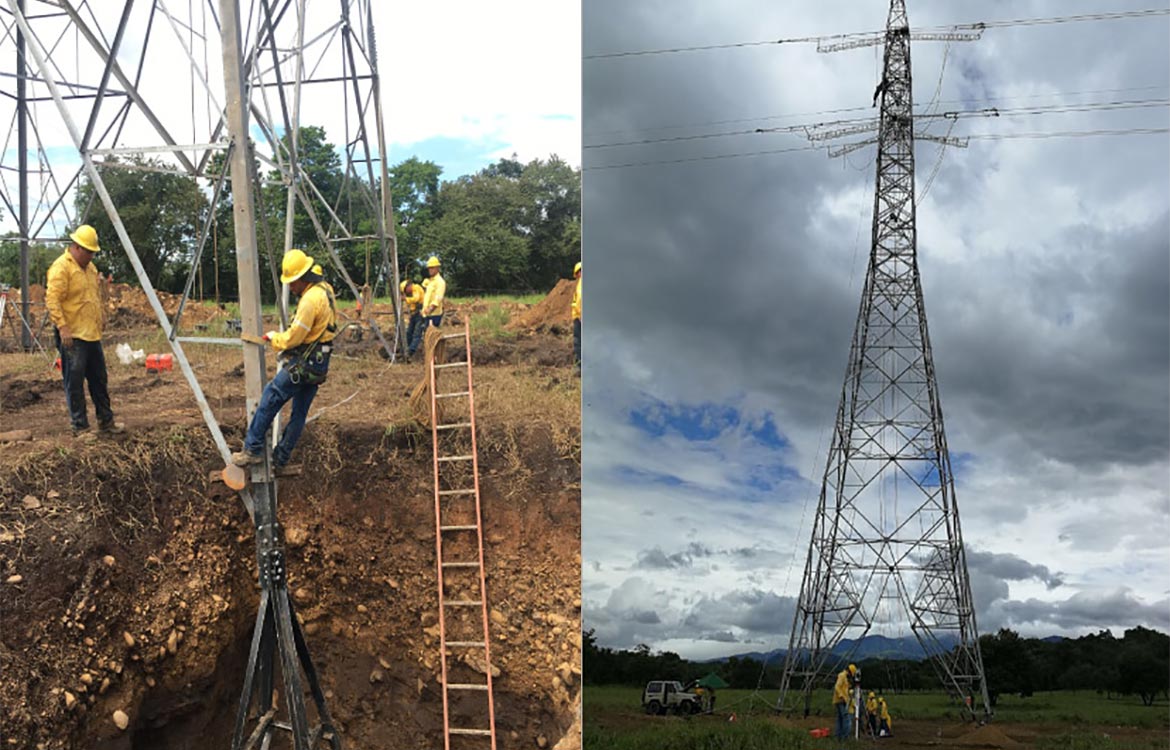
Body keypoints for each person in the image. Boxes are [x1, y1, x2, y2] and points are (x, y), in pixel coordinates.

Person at [232, 249, 336, 469]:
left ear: (301, 278)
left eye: (291, 282)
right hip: (320, 363)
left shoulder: (309, 300)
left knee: (271, 396)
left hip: (305, 363)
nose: (290, 287)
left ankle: (252, 449)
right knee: (299, 412)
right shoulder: (326, 289)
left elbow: (293, 338)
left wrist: (274, 338)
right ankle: (281, 458)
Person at [45, 224, 123, 437]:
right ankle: (80, 427)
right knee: (75, 381)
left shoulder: (91, 269)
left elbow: (93, 297)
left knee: (99, 379)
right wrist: (63, 327)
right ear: (77, 247)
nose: (91, 256)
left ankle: (106, 422)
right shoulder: (61, 268)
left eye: (92, 252)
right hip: (73, 336)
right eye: (88, 251)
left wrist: (101, 318)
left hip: (91, 333)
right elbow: (53, 300)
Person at [833, 663, 859, 741]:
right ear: (850, 672)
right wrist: (842, 696)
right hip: (840, 701)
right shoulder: (842, 676)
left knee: (840, 719)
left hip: (841, 701)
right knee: (846, 719)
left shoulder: (844, 677)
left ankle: (838, 736)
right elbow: (837, 687)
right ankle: (845, 737)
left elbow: (844, 688)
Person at [401, 278, 425, 356]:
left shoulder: (416, 288)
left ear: (408, 286)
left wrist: (405, 299)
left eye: (405, 291)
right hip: (414, 314)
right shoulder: (411, 293)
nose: (406, 293)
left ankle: (411, 350)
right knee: (409, 332)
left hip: (420, 313)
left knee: (417, 333)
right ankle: (406, 347)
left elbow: (416, 299)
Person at [420, 255, 445, 328]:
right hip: (427, 314)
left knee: (431, 336)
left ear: (437, 268)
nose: (430, 270)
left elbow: (438, 298)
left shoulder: (440, 282)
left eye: (432, 268)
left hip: (434, 315)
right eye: (429, 268)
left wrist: (430, 309)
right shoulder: (430, 281)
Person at [571, 261, 581, 370]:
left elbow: (579, 301)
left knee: (578, 341)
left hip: (580, 317)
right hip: (578, 317)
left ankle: (580, 366)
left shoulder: (581, 284)